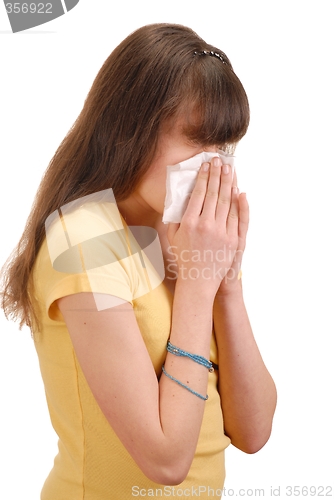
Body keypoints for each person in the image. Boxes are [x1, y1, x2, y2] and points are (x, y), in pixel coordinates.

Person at [0, 23, 277, 499]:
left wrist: (225, 282)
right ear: (132, 130)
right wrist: (196, 284)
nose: (215, 165)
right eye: (197, 140)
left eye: (225, 146)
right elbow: (165, 461)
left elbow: (252, 433)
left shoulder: (183, 237)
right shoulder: (82, 239)